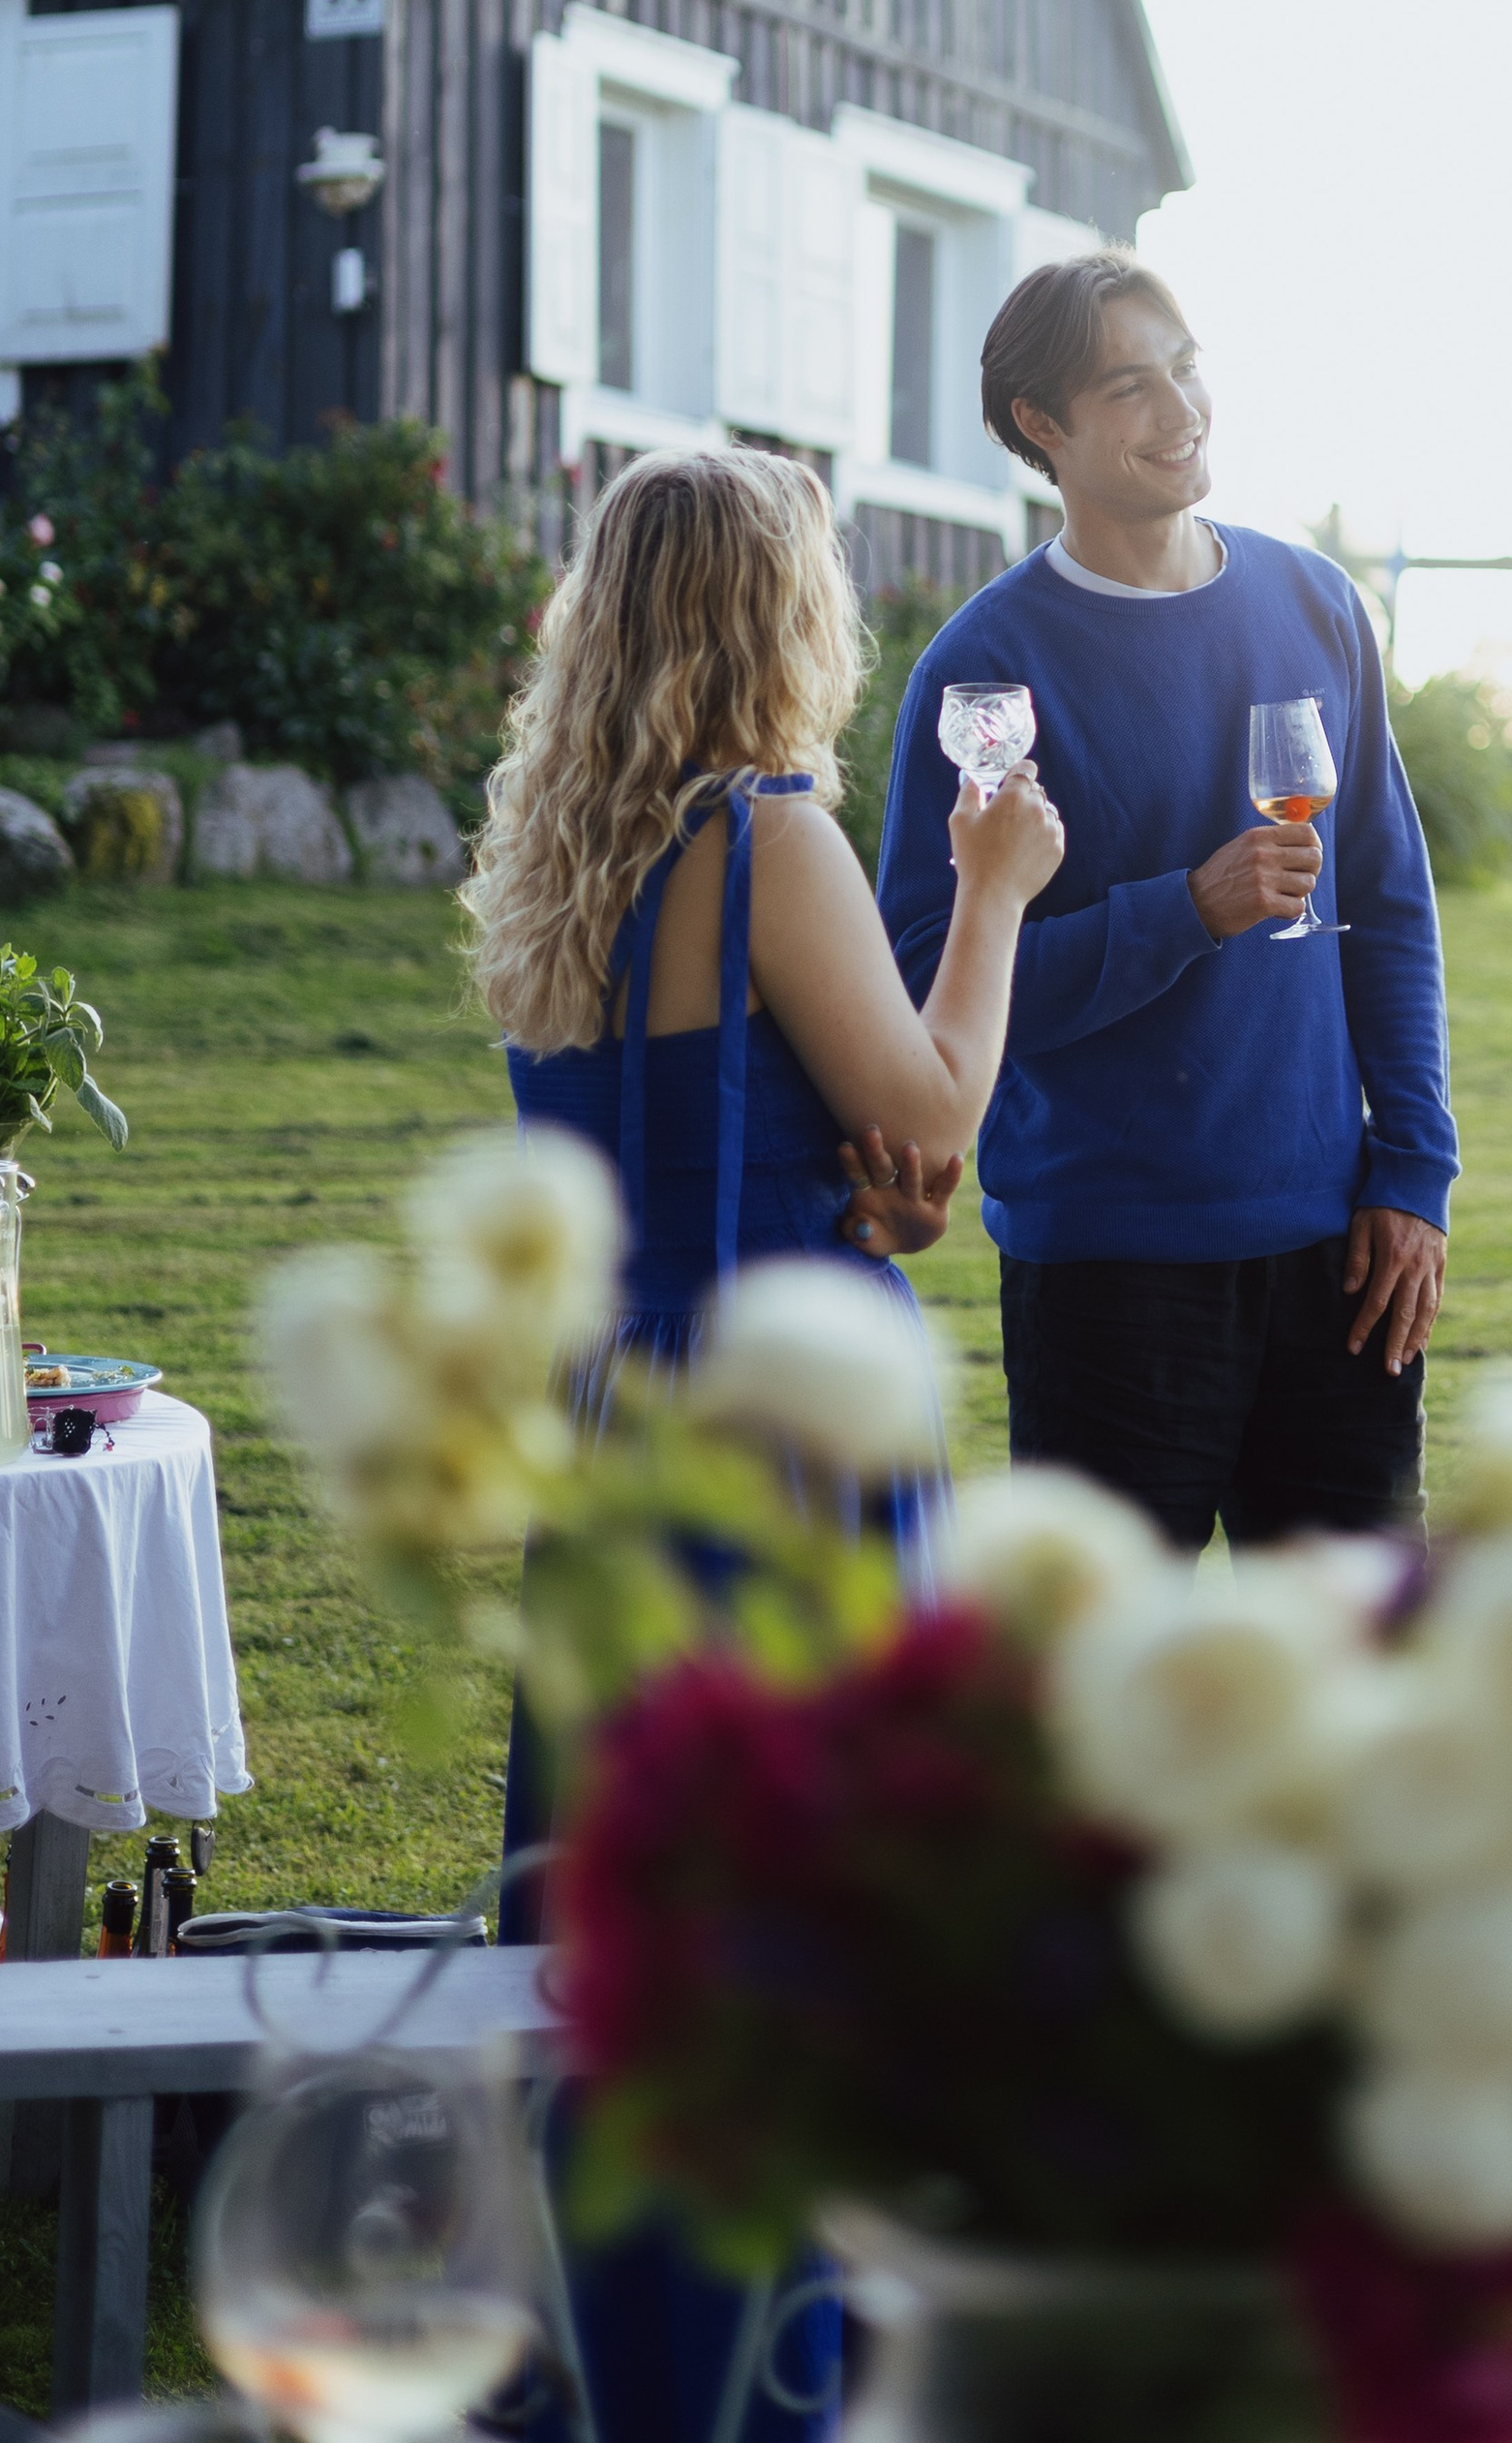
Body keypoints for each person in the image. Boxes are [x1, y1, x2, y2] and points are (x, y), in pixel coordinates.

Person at [463, 443, 1061, 2443]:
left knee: (628, 1917)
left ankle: (618, 2361)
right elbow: (934, 1107)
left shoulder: (562, 845)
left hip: (614, 1411)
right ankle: (774, 2379)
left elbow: (725, 1141)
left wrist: (857, 1191)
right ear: (774, 615)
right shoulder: (766, 832)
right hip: (776, 1427)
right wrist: (991, 891)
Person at [872, 249, 1459, 1549]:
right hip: (1105, 1267)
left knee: (1355, 1653)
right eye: (1130, 387)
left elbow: (1388, 908)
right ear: (1042, 423)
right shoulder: (986, 668)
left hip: (1340, 1252)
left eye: (1186, 369)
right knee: (1111, 1667)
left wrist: (1416, 1173)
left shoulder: (1315, 603)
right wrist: (1184, 911)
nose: (1181, 411)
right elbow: (929, 984)